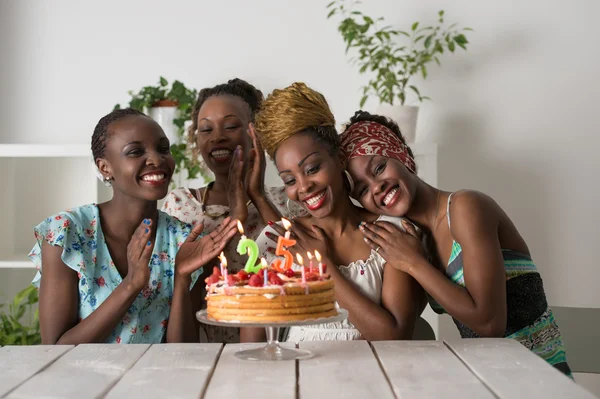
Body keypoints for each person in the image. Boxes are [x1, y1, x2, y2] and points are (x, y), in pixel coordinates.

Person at [340, 110, 571, 376]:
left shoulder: (466, 208)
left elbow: (489, 324)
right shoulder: (413, 241)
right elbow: (399, 327)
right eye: (362, 190)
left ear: (401, 154)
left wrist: (415, 264)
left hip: (545, 382)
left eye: (379, 168)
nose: (376, 187)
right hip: (490, 382)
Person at [29, 108, 238, 345]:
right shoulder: (67, 233)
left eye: (163, 149)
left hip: (156, 381)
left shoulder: (183, 240)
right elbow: (55, 349)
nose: (157, 160)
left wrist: (181, 277)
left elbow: (181, 352)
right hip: (84, 381)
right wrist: (131, 285)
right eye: (136, 152)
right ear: (105, 167)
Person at [253, 83, 424, 341]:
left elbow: (394, 337)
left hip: (373, 377)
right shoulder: (276, 240)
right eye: (289, 180)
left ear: (340, 158)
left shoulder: (390, 232)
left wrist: (322, 268)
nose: (303, 187)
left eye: (311, 169)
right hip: (294, 376)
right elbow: (252, 345)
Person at [162, 78, 298, 343]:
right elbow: (178, 296)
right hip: (203, 353)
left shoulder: (287, 200)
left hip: (277, 348)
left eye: (232, 126)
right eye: (205, 129)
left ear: (256, 133)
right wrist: (235, 219)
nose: (217, 137)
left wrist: (257, 197)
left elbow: (303, 268)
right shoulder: (180, 205)